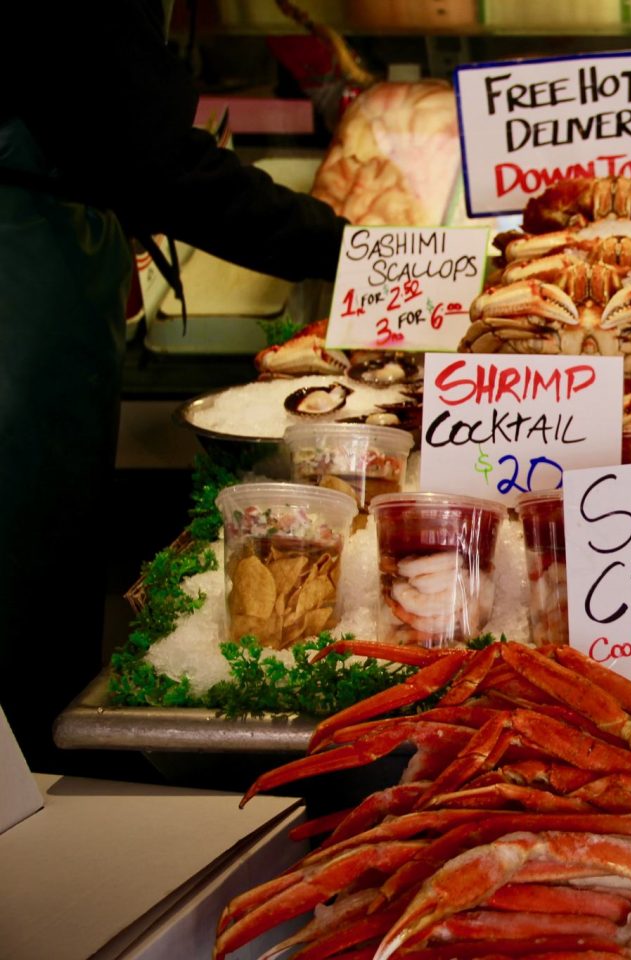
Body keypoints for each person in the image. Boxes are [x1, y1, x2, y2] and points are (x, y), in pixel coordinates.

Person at [0, 1, 349, 770]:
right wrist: (344, 245)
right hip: (18, 278)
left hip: (45, 249)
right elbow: (150, 159)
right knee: (22, 579)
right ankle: (37, 804)